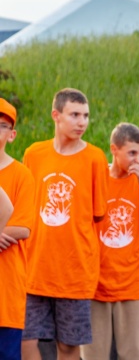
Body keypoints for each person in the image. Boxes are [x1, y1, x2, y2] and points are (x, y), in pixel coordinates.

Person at [21, 88, 109, 360]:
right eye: (74, 115)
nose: (82, 122)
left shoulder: (95, 158)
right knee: (24, 340)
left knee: (69, 347)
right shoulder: (34, 154)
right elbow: (25, 205)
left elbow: (99, 213)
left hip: (75, 271)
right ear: (56, 115)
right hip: (35, 267)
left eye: (86, 116)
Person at [80, 122, 139, 360]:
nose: (138, 160)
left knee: (138, 355)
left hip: (134, 286)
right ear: (114, 150)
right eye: (132, 153)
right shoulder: (96, 179)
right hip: (94, 285)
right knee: (92, 356)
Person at [0, 98, 35, 360]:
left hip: (6, 291)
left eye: (2, 125)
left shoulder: (21, 175)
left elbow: (22, 227)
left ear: (12, 135)